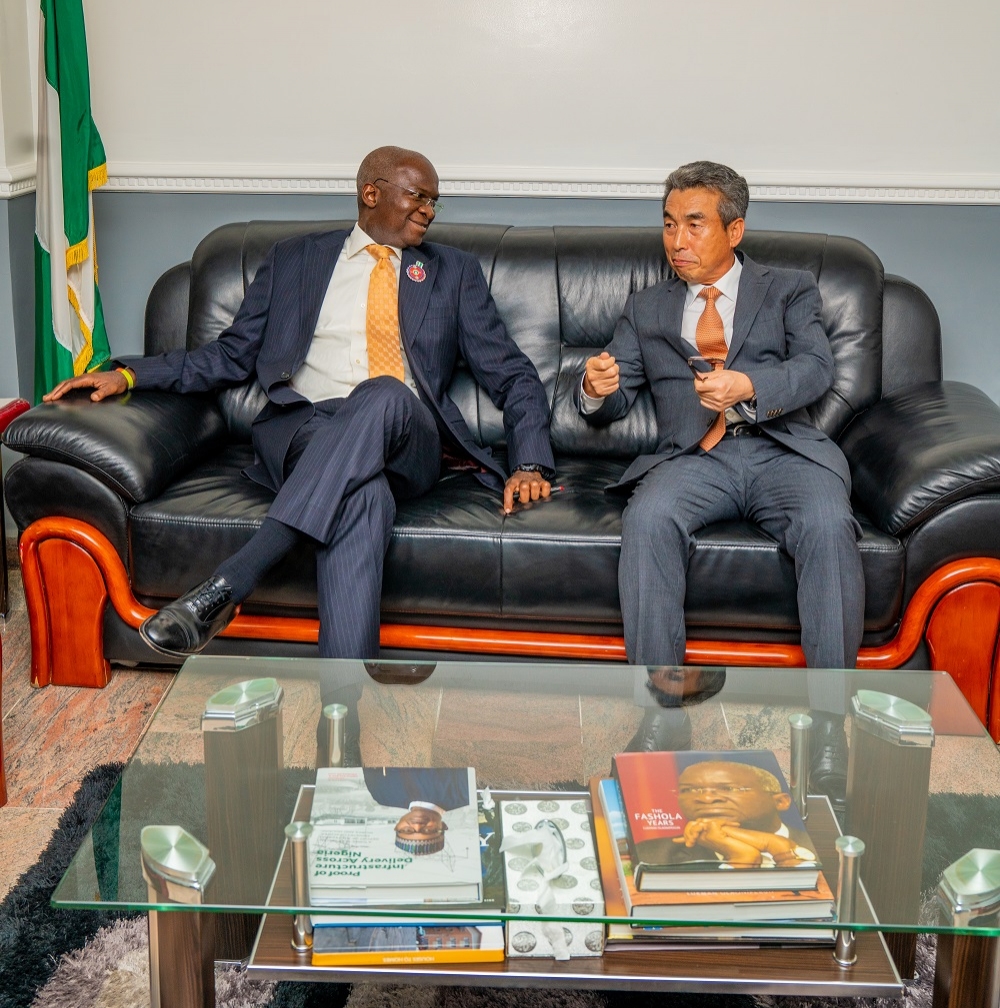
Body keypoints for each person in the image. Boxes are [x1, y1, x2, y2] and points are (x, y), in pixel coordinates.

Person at [44, 146, 555, 663]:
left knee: (381, 392)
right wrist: (130, 372)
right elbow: (230, 354)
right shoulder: (296, 259)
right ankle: (342, 723)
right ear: (370, 192)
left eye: (434, 202)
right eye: (417, 196)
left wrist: (529, 461)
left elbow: (513, 373)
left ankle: (232, 581)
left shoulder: (453, 272)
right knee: (362, 500)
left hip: (407, 435)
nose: (428, 210)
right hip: (308, 429)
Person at [579, 160, 862, 787]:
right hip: (695, 456)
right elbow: (616, 391)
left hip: (781, 449)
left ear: (734, 230)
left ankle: (829, 727)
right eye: (669, 224)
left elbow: (816, 366)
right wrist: (596, 388)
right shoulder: (647, 306)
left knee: (827, 524)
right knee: (648, 518)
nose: (677, 240)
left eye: (695, 225)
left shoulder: (786, 287)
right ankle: (663, 714)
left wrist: (750, 385)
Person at [636, 759, 817, 869]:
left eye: (728, 788)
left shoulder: (821, 844)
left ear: (780, 801)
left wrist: (774, 847)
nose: (706, 798)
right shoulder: (651, 855)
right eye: (689, 790)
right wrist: (741, 860)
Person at [362, 766, 471, 855]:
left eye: (407, 830)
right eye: (428, 830)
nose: (417, 825)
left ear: (397, 827)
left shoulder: (380, 793)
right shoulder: (463, 792)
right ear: (443, 826)